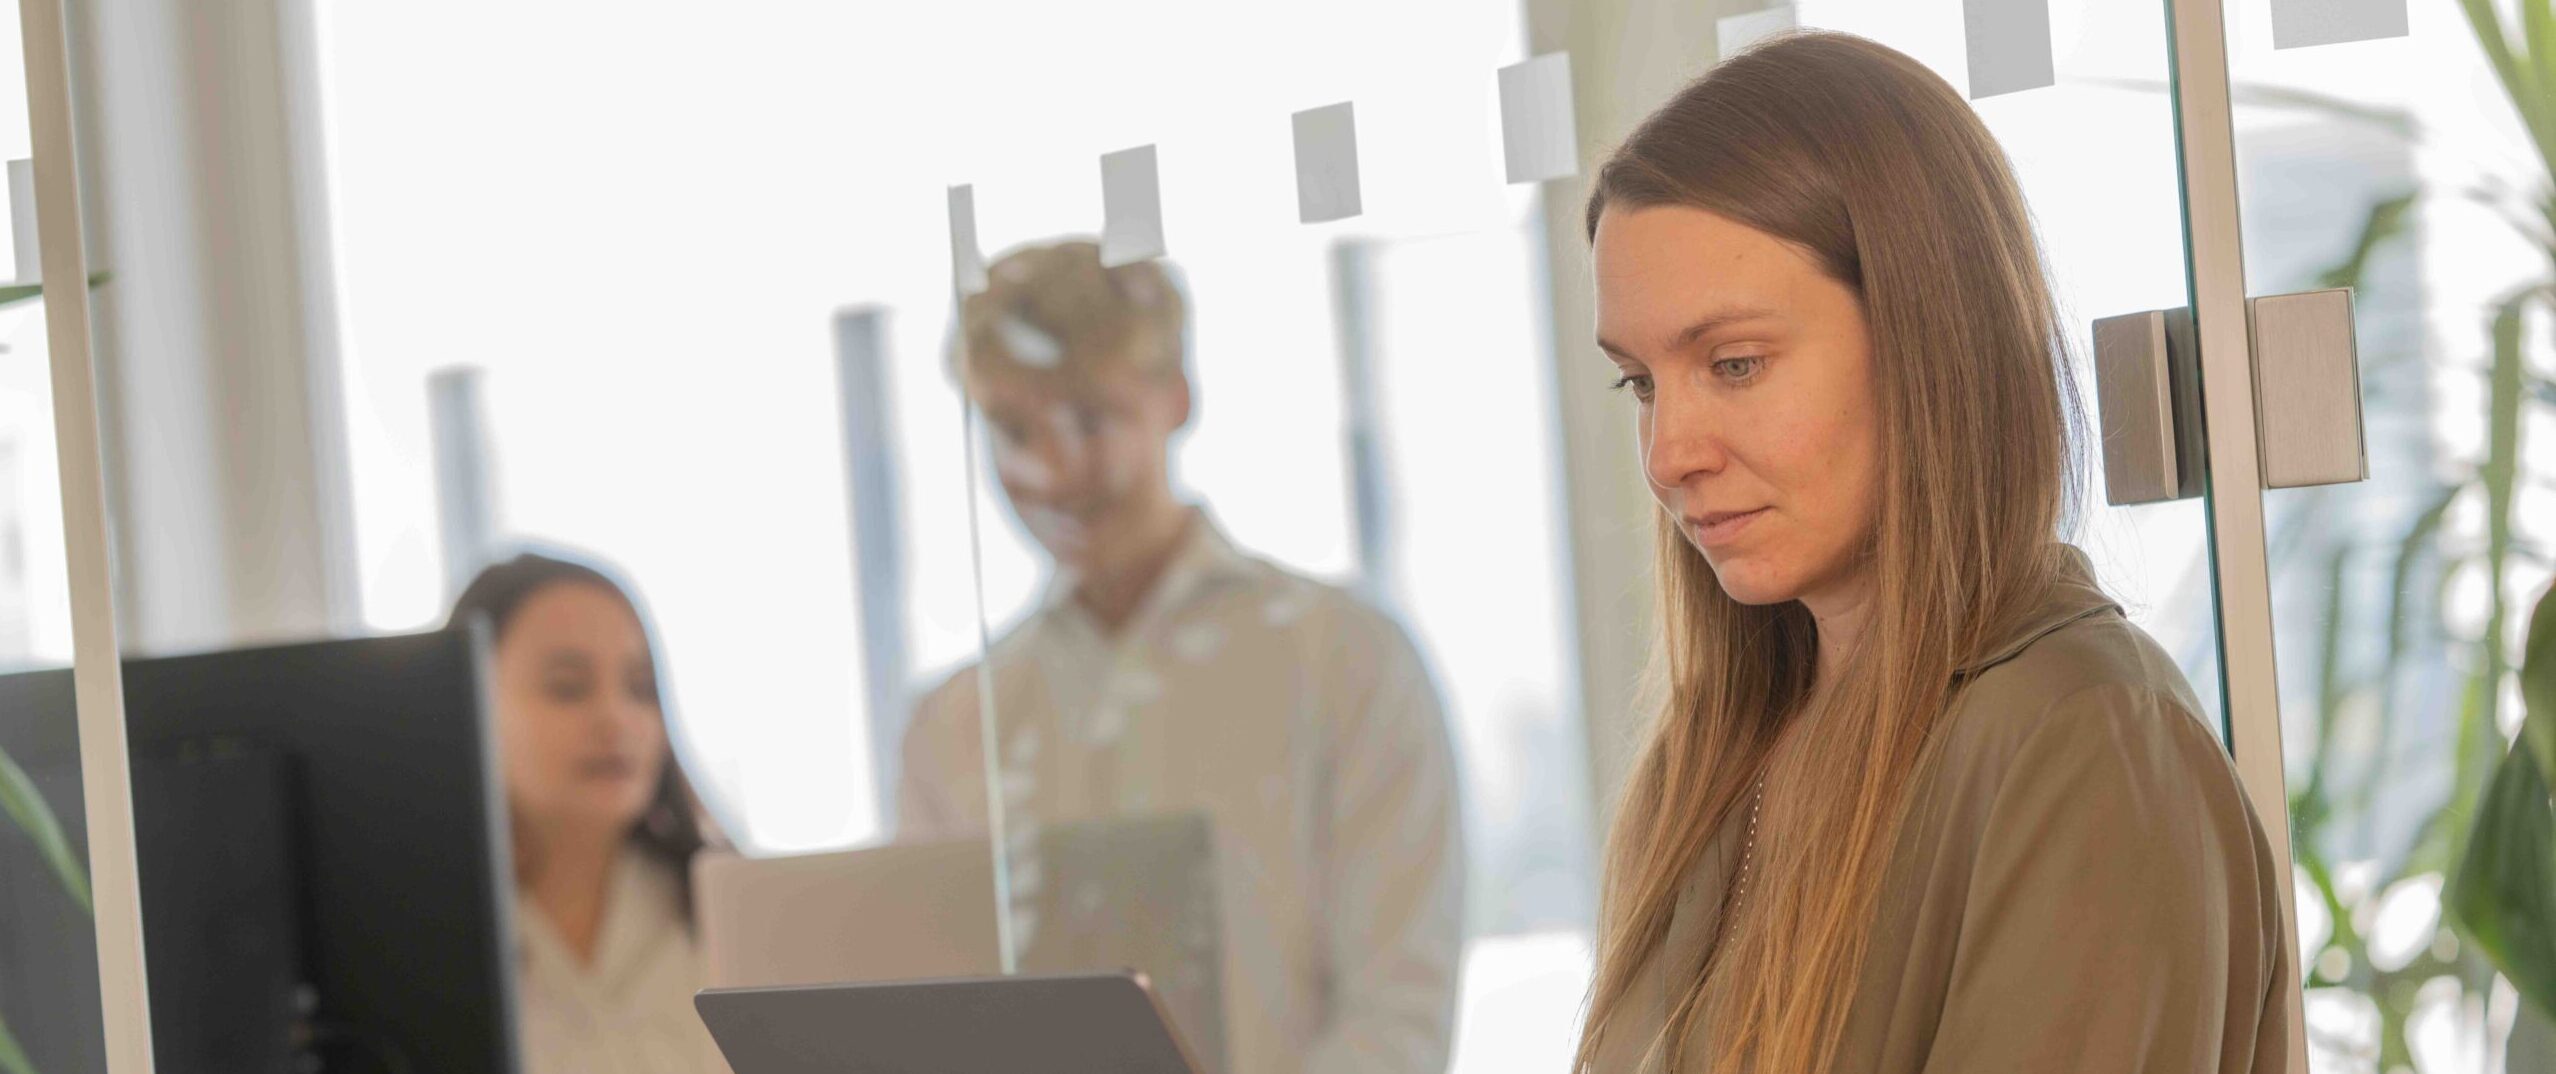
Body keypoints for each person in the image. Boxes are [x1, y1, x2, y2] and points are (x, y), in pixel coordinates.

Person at [1573, 32, 2293, 1074]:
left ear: (1928, 336)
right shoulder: (1706, 767)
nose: (1669, 454)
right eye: (1640, 381)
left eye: (1734, 364)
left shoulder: (2084, 743)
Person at [897, 240, 1465, 1074]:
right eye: (1013, 429)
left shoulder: (1344, 661)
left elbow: (1397, 1018)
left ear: (1177, 398)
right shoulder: (951, 727)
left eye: (1091, 419)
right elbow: (939, 1031)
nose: (1054, 473)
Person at [450, 551, 731, 1074]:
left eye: (640, 688)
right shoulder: (425, 941)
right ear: (467, 701)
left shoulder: (728, 913)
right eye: (568, 687)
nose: (616, 719)